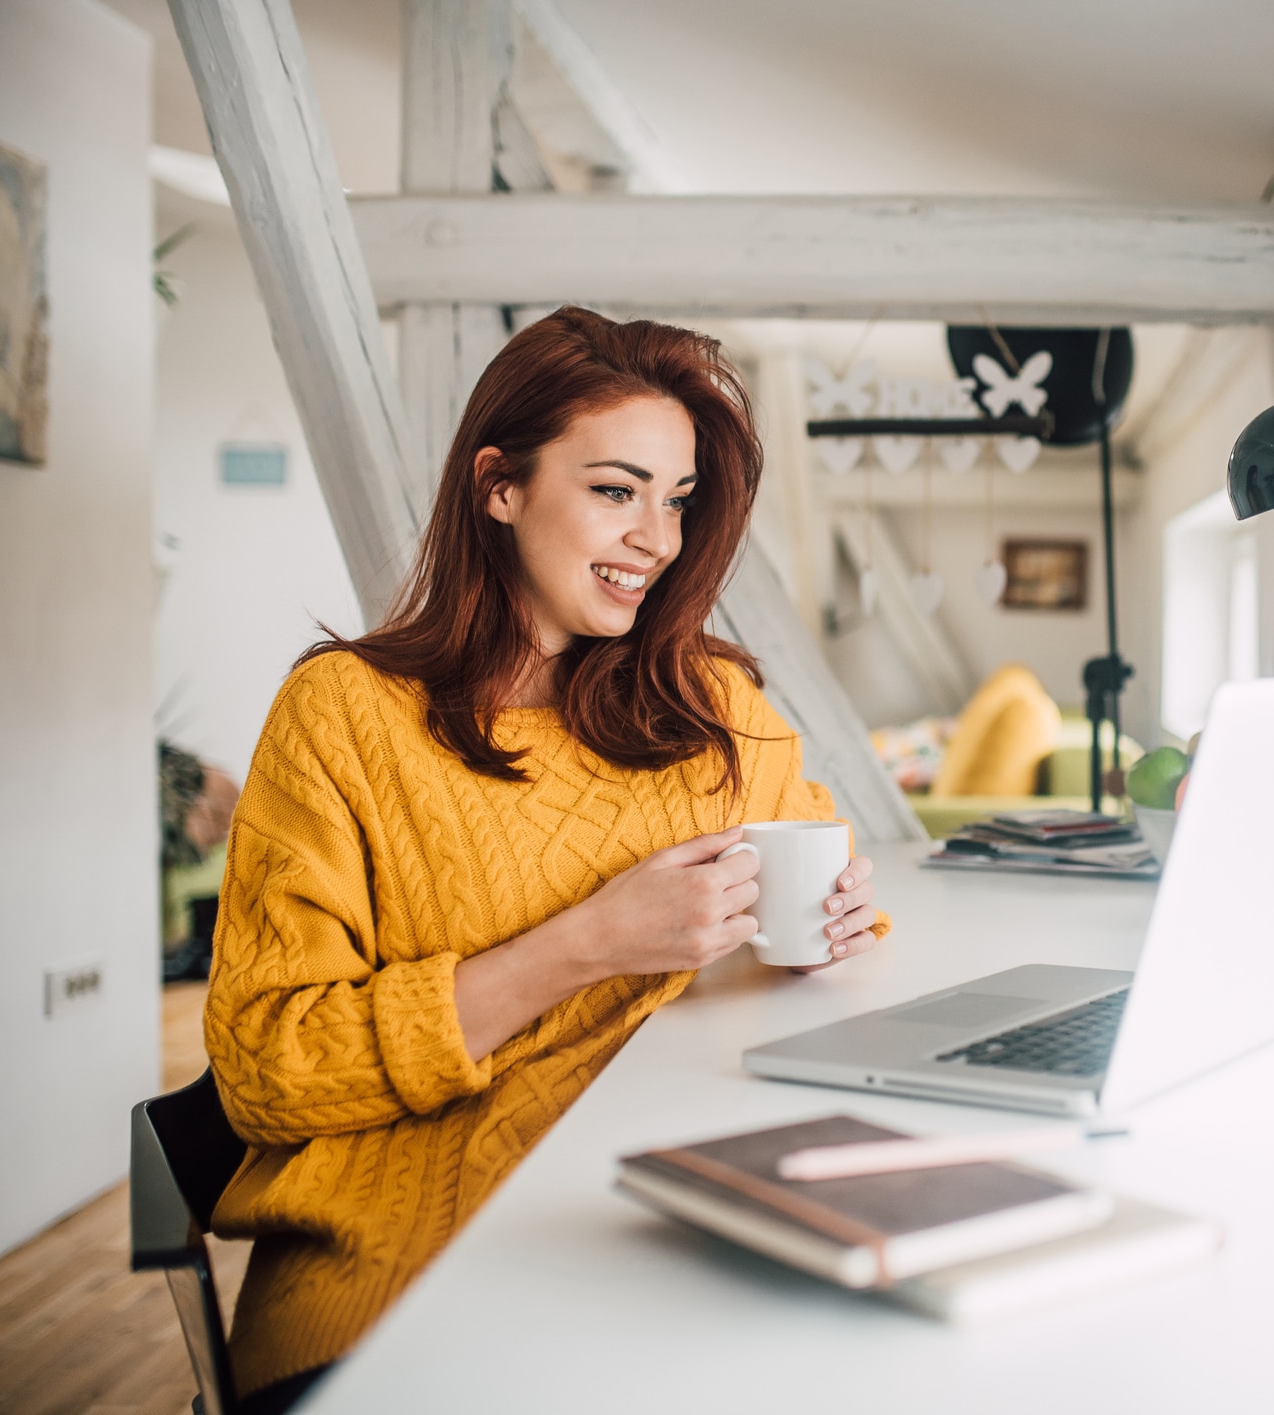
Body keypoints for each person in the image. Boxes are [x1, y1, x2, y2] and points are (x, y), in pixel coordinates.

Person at [203, 308, 886, 1413]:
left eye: (677, 501)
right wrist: (584, 945)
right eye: (617, 490)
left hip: (668, 1237)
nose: (656, 540)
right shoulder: (344, 714)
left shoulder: (712, 703)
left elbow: (821, 900)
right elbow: (266, 1066)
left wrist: (836, 924)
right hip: (409, 1287)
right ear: (499, 485)